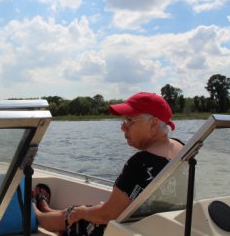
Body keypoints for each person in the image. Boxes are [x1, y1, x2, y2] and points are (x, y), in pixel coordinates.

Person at [33, 92, 184, 236]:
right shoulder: (183, 149)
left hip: (123, 229)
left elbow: (107, 214)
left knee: (77, 215)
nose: (123, 127)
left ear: (153, 124)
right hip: (153, 226)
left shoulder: (142, 163)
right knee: (80, 211)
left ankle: (35, 212)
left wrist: (82, 213)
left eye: (129, 121)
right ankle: (46, 208)